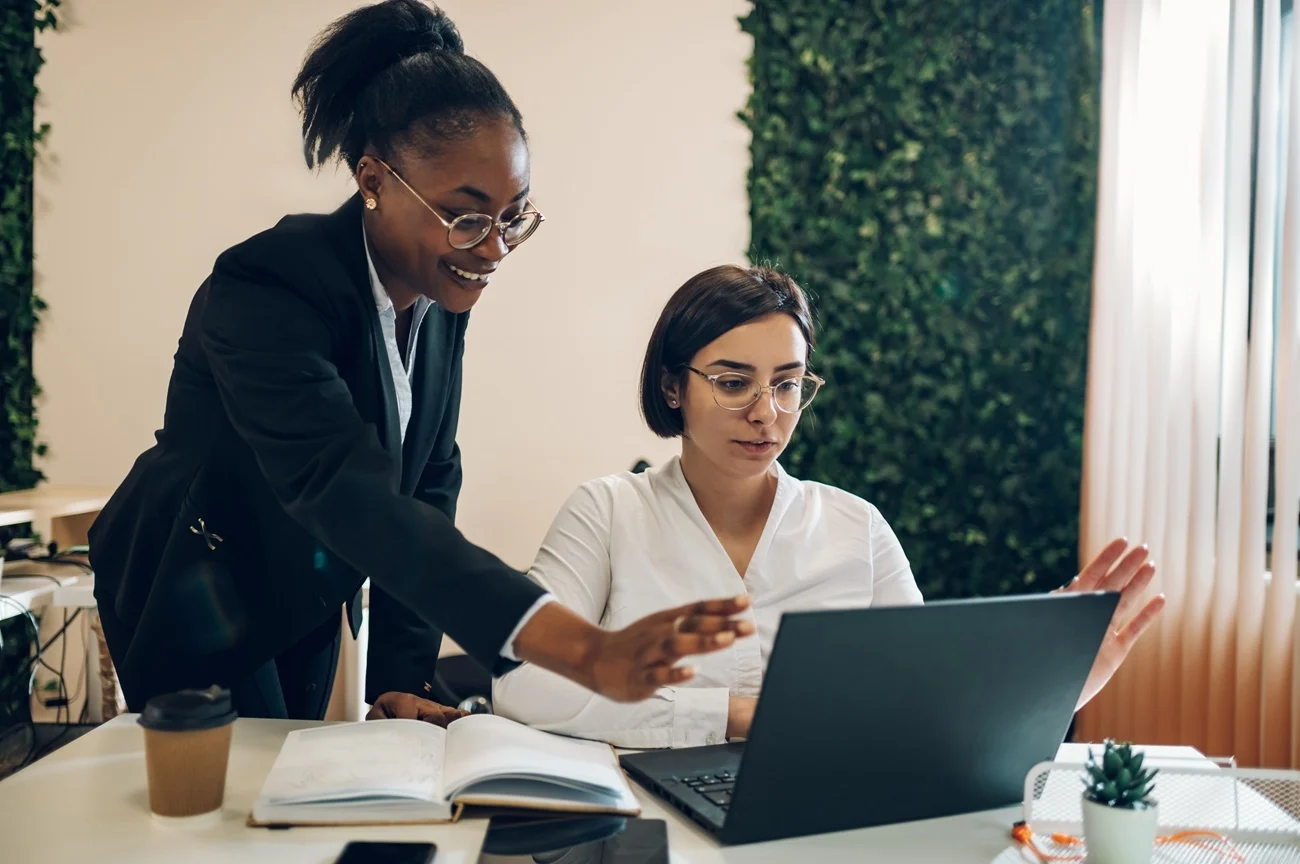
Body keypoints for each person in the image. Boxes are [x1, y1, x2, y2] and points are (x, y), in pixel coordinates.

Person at [87, 0, 752, 723]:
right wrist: (584, 649)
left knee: (286, 782)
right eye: (466, 216)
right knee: (211, 808)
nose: (493, 248)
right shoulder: (270, 283)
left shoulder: (437, 294)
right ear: (373, 181)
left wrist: (398, 680)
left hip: (300, 585)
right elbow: (349, 491)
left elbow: (429, 479)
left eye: (513, 216)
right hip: (192, 581)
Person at [490, 265, 1167, 748]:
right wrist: (732, 714)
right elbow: (522, 685)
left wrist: (1060, 680)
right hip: (643, 820)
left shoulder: (855, 527)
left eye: (788, 385)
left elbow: (927, 707)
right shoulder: (607, 513)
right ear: (673, 387)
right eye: (733, 382)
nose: (767, 414)